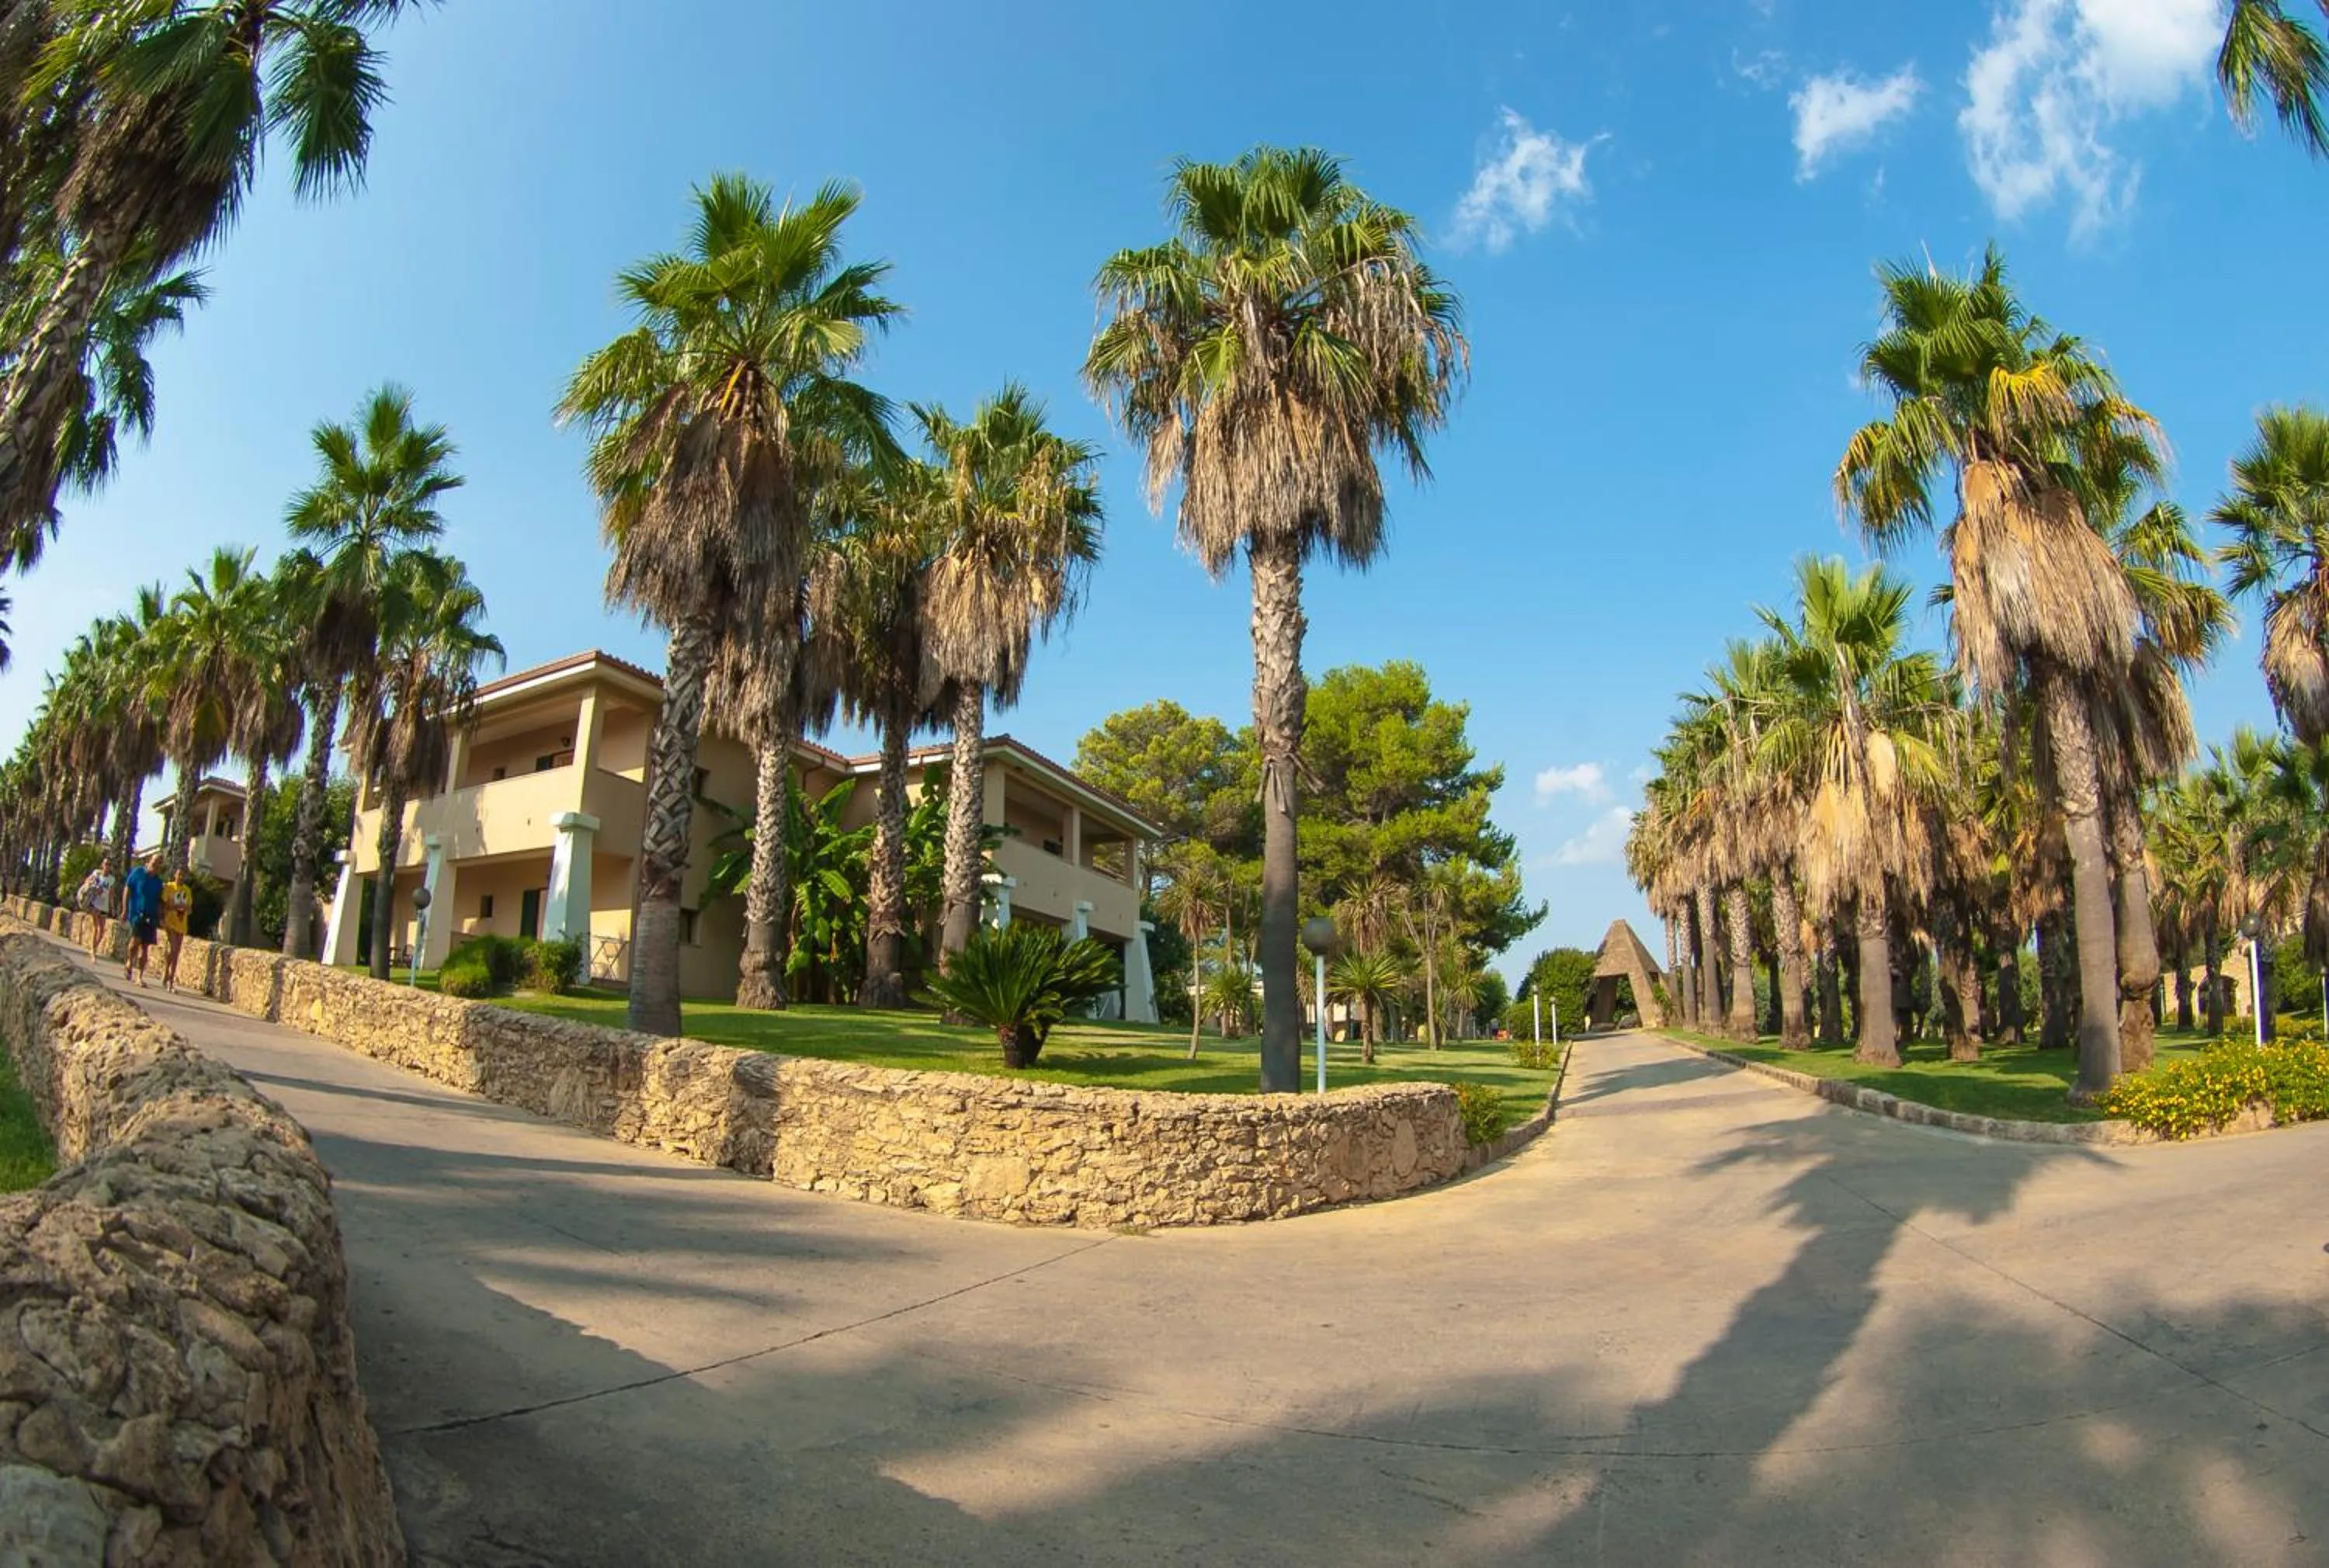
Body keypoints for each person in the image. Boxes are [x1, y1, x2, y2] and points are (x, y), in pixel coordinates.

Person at [121, 853, 163, 988]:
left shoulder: (158, 882)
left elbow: (159, 902)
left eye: (159, 863)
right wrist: (124, 910)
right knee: (135, 942)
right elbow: (128, 889)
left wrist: (160, 917)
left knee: (145, 947)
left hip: (151, 917)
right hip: (136, 914)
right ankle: (129, 962)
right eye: (155, 861)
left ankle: (139, 977)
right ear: (149, 861)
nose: (156, 864)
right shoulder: (138, 873)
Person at [75, 856, 118, 959]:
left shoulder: (112, 879)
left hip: (104, 905)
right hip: (95, 904)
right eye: (106, 864)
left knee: (102, 930)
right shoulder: (97, 874)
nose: (107, 866)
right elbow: (87, 882)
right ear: (102, 865)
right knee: (96, 927)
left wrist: (112, 908)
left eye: (109, 865)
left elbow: (111, 894)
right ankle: (93, 951)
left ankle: (93, 948)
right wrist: (93, 886)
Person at [159, 866, 193, 993]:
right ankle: (170, 981)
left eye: (183, 875)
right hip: (170, 923)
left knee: (176, 952)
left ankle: (168, 973)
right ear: (175, 875)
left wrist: (183, 907)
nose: (181, 877)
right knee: (173, 949)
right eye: (179, 875)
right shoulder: (169, 887)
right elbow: (165, 904)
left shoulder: (187, 891)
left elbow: (189, 909)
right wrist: (174, 907)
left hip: (181, 924)